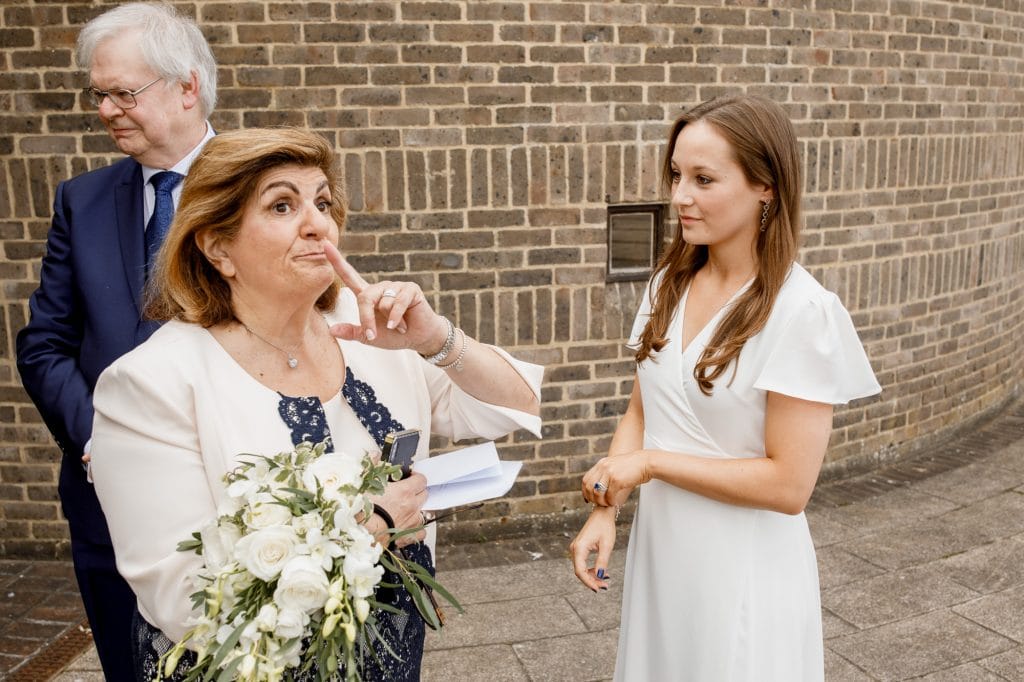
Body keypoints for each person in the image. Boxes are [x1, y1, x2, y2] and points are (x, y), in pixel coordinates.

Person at [88, 127, 543, 680]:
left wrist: (435, 339)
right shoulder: (148, 385)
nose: (317, 223)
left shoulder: (369, 334)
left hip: (392, 654)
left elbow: (517, 406)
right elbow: (187, 604)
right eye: (283, 205)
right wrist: (372, 526)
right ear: (218, 247)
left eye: (322, 202)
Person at [570, 94, 881, 681]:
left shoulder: (802, 311)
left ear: (765, 186)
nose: (680, 196)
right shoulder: (668, 282)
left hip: (746, 568)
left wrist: (652, 465)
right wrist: (606, 507)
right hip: (665, 555)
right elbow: (644, 408)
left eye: (704, 179)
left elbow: (789, 485)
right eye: (677, 175)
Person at [15, 3, 216, 678]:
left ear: (186, 87)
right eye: (99, 94)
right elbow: (44, 345)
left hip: (226, 505)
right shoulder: (82, 199)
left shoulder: (264, 190)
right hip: (104, 508)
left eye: (123, 93)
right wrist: (102, 440)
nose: (106, 110)